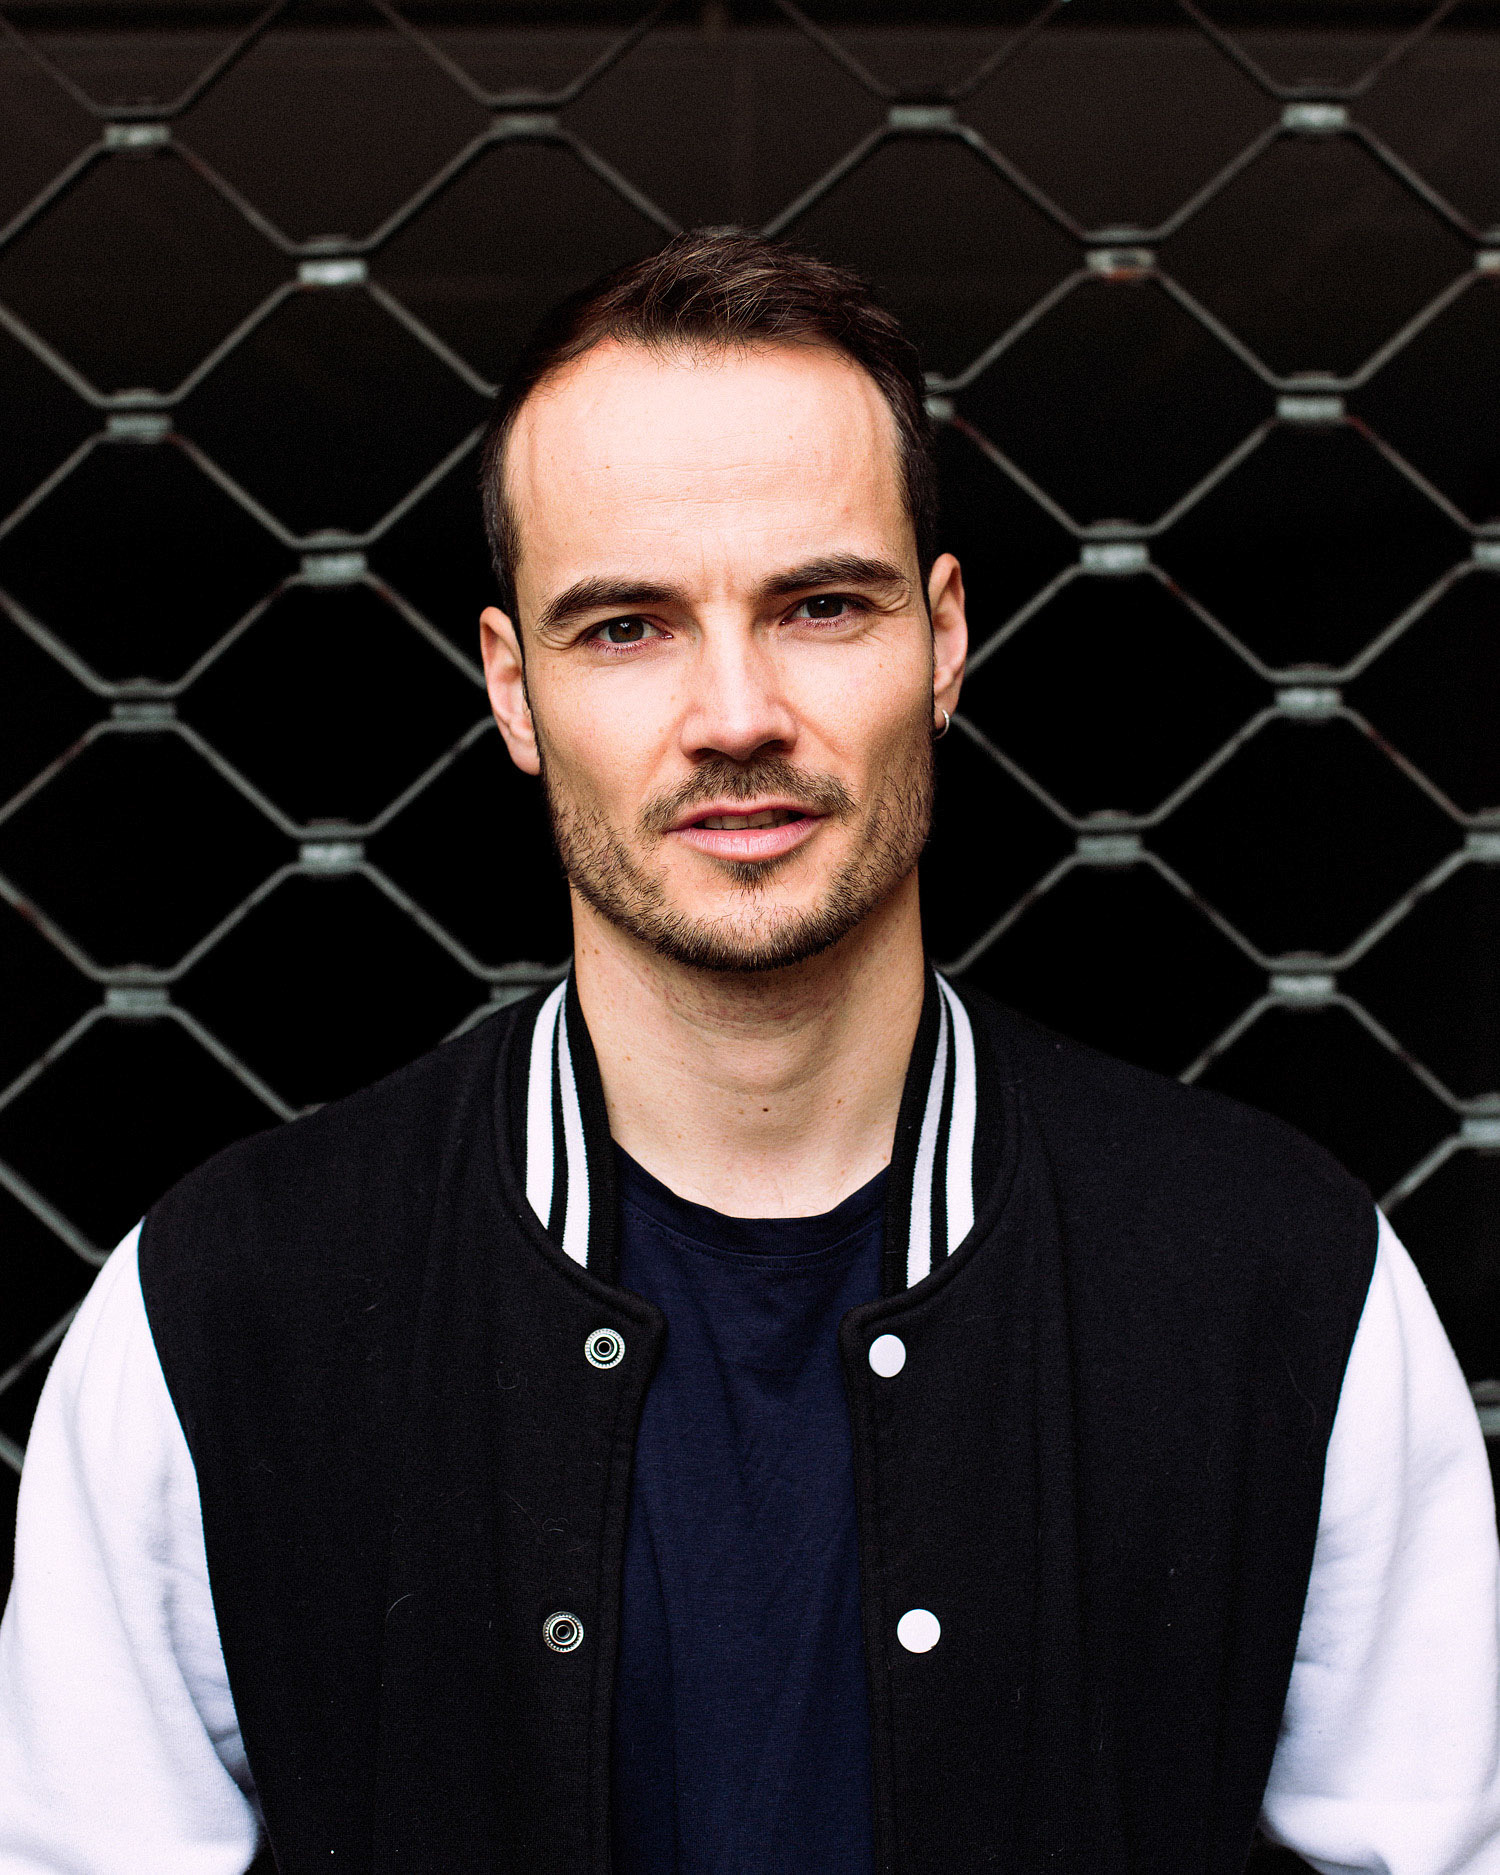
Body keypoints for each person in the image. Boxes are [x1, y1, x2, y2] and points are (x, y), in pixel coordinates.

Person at [1, 230, 1496, 1875]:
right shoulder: (223, 1308)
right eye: (625, 627)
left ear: (945, 640)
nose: (734, 714)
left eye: (822, 605)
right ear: (513, 690)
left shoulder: (1281, 1282)